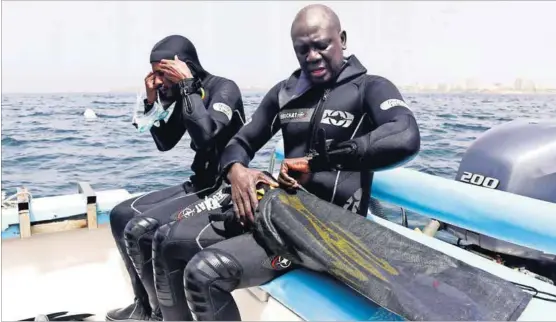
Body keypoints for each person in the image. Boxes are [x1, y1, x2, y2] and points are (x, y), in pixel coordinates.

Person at [150, 4, 420, 321]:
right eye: (302, 49)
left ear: (342, 39)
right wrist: (237, 170)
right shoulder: (286, 93)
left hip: (328, 235)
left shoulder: (370, 88)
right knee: (165, 241)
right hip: (281, 218)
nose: (313, 56)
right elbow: (241, 141)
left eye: (322, 45)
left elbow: (405, 136)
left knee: (205, 272)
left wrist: (321, 161)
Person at [106, 34, 246, 321]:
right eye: (154, 74)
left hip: (225, 188)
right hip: (200, 184)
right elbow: (165, 141)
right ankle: (143, 305)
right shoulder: (187, 92)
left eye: (162, 73)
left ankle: (160, 314)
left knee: (139, 230)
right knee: (120, 215)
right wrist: (151, 101)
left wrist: (185, 87)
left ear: (184, 65)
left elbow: (207, 136)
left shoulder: (223, 88)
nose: (158, 80)